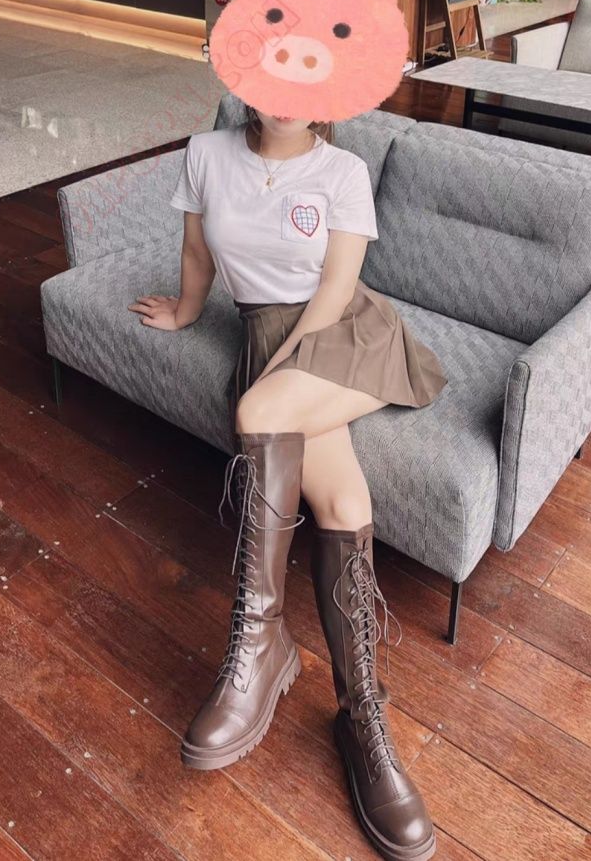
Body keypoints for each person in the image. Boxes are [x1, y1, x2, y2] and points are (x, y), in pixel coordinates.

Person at [128, 105, 448, 861]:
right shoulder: (206, 153)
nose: (287, 92)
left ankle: (265, 643)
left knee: (260, 411)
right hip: (264, 327)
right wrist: (185, 311)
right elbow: (198, 252)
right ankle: (358, 709)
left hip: (344, 333)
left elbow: (336, 292)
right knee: (342, 495)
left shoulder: (343, 171)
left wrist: (277, 379)